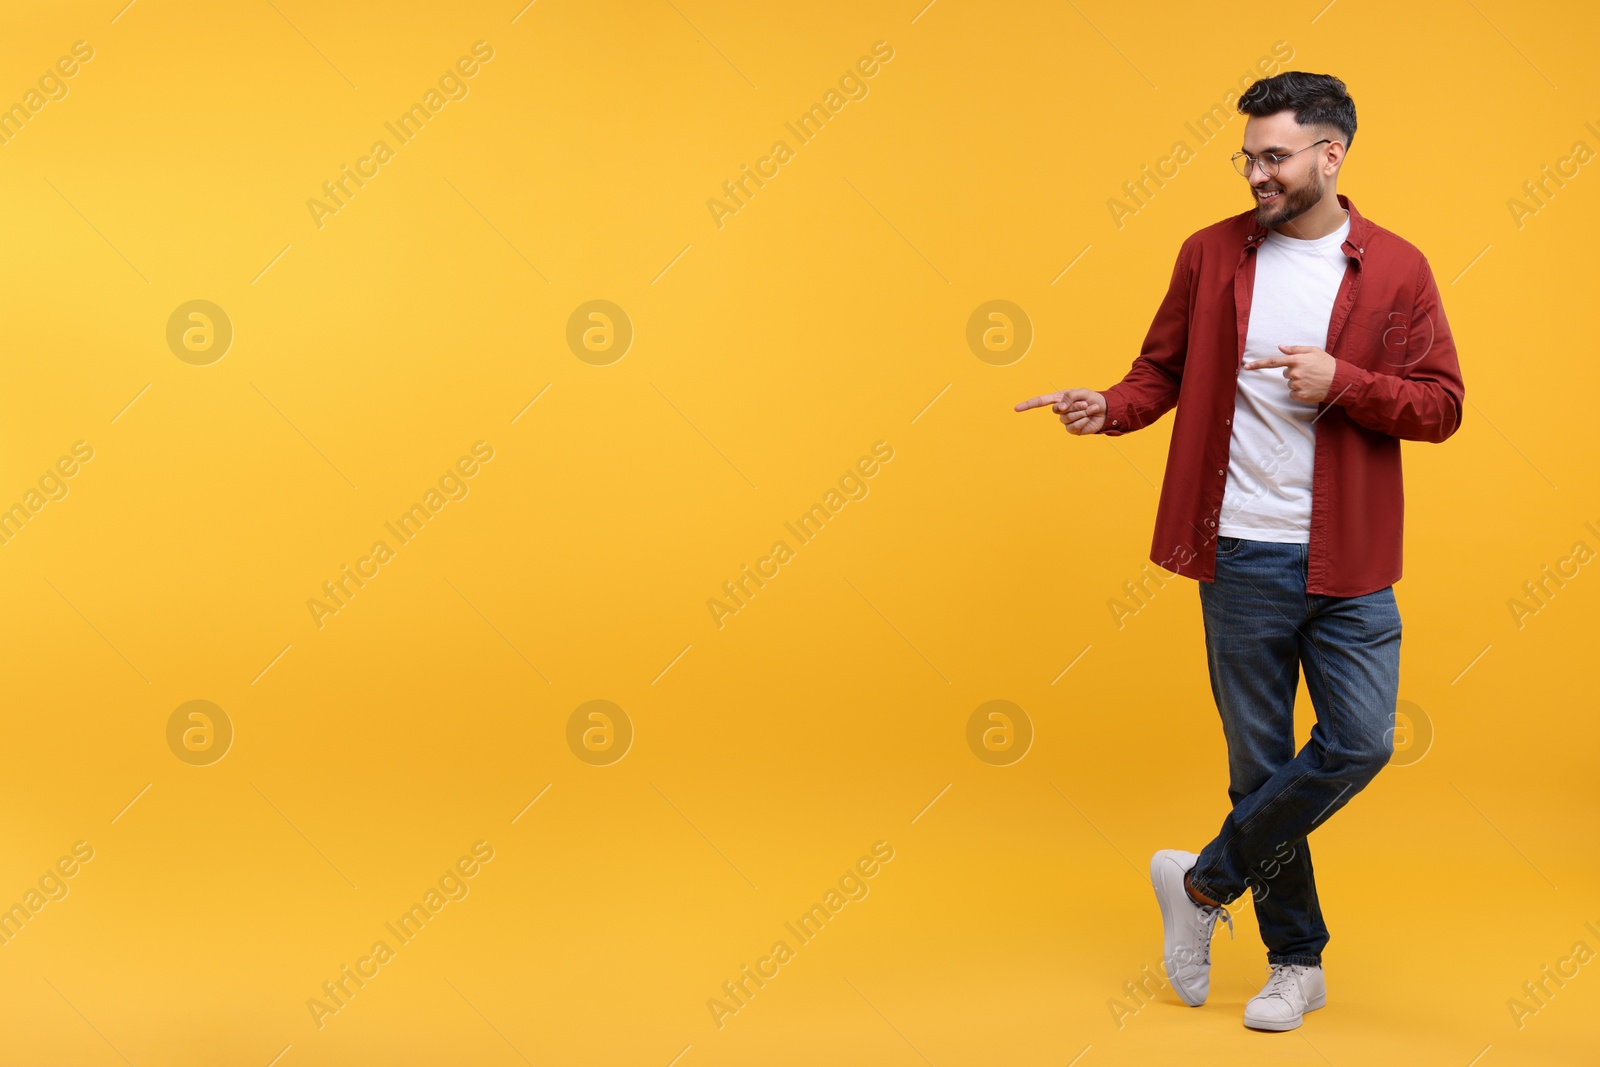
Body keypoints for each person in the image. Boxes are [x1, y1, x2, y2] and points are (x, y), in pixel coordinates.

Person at [1015, 71, 1465, 1031]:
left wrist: (1345, 380)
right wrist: (1109, 409)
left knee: (1359, 741)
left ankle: (1203, 881)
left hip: (1350, 558)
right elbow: (1159, 371)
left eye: (1274, 156)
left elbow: (1442, 406)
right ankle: (1295, 963)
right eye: (1247, 156)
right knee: (1260, 770)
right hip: (1241, 553)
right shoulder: (1210, 255)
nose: (1256, 173)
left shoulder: (1396, 268)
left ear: (1330, 155)